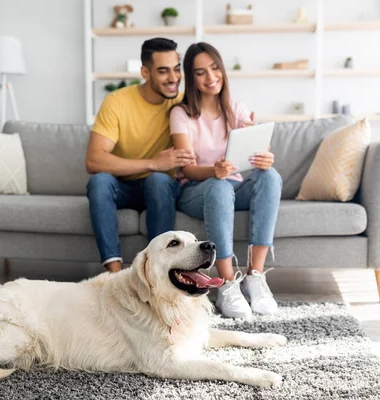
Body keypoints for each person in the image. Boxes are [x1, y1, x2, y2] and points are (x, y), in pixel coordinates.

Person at [169, 42, 283, 319]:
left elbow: (255, 153)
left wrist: (265, 157)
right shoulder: (180, 114)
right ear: (191, 77)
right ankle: (227, 283)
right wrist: (214, 171)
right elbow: (188, 169)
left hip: (232, 185)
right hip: (196, 190)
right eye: (200, 72)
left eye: (215, 68)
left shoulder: (235, 108)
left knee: (270, 176)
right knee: (219, 186)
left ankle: (255, 277)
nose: (211, 77)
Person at [86, 38, 195, 273]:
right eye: (163, 71)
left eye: (177, 69)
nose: (174, 78)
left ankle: (159, 270)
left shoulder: (183, 101)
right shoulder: (117, 102)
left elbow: (217, 120)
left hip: (162, 190)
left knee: (158, 180)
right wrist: (153, 163)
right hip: (124, 187)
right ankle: (114, 273)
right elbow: (94, 160)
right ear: (145, 72)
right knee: (99, 181)